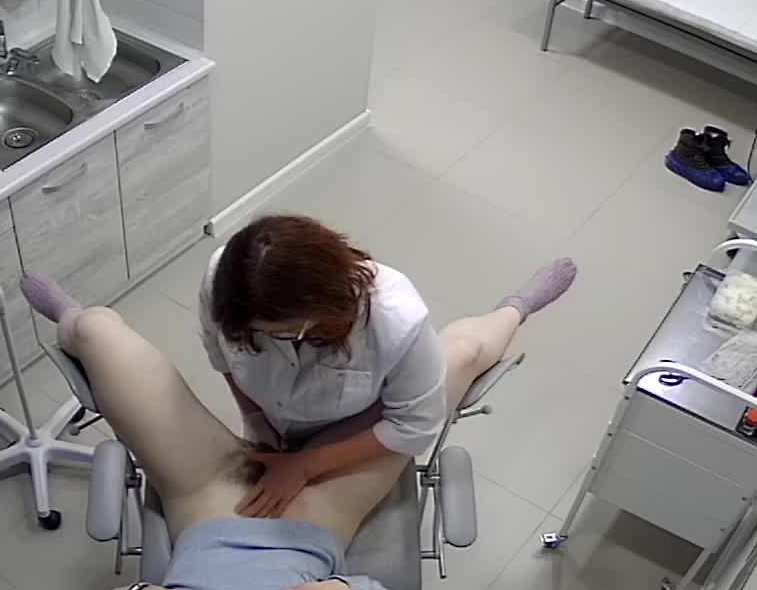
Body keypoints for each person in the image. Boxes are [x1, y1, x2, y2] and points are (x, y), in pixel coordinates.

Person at [15, 251, 577, 590]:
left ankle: (68, 313)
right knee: (459, 355)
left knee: (98, 334)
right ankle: (518, 307)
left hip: (206, 496)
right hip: (319, 514)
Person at [199, 214, 578, 520]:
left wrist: (305, 466)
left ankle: (517, 307)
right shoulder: (225, 283)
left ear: (321, 312)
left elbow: (414, 426)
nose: (265, 340)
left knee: (463, 353)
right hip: (276, 416)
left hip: (371, 415)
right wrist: (255, 417)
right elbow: (220, 354)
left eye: (279, 333)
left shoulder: (396, 319)